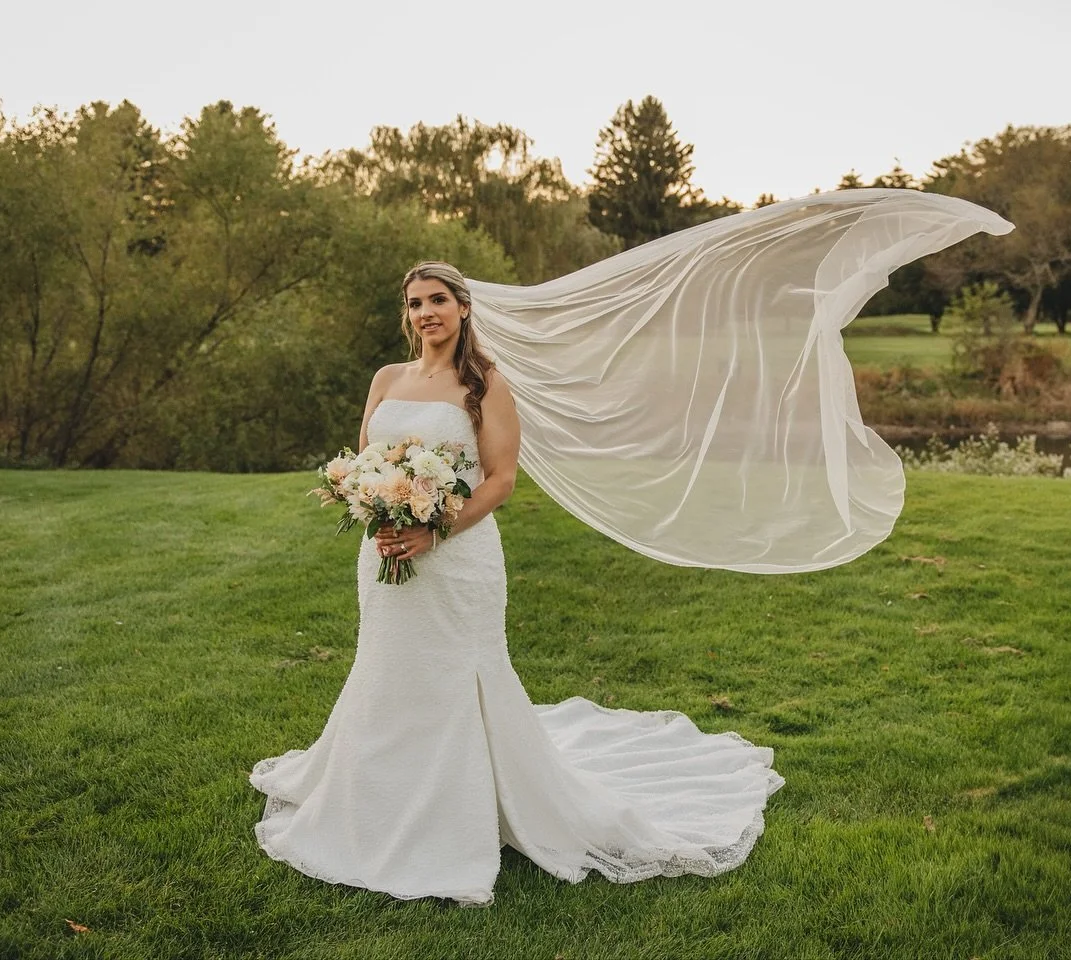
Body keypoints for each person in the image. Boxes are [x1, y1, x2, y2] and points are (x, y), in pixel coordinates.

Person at [249, 261, 784, 906]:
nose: (427, 313)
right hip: (385, 549)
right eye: (416, 303)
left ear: (463, 307)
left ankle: (459, 811)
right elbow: (368, 457)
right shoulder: (387, 378)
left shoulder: (487, 385)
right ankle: (374, 794)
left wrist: (433, 532)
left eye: (438, 300)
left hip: (456, 558)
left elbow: (500, 479)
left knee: (453, 672)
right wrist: (374, 501)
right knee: (388, 666)